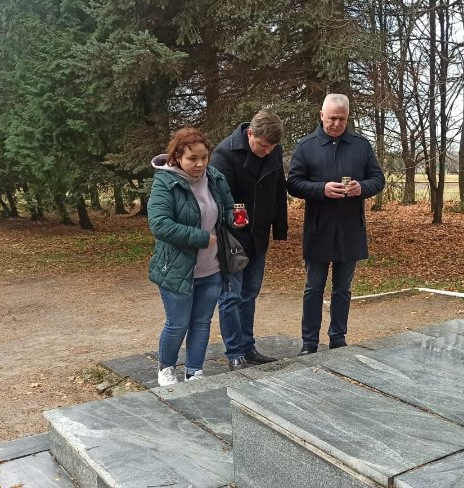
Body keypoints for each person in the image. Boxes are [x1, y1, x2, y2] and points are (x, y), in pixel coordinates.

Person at [286, 94, 385, 355]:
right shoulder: (306, 146)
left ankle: (338, 339)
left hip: (350, 228)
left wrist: (362, 188)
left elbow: (378, 179)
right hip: (318, 228)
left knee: (343, 289)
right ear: (321, 116)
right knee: (313, 288)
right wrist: (321, 189)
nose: (336, 124)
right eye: (332, 118)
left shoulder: (360, 145)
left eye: (341, 119)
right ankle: (309, 342)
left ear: (347, 118)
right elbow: (293, 183)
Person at [147, 127, 240, 386]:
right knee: (177, 324)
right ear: (177, 157)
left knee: (201, 322)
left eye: (204, 157)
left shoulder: (215, 177)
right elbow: (160, 225)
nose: (200, 164)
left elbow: (227, 208)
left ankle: (194, 371)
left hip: (212, 268)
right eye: (192, 158)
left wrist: (234, 218)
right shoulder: (165, 182)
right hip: (177, 269)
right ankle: (166, 368)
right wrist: (200, 237)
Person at [211, 111, 288, 370]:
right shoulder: (224, 154)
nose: (267, 152)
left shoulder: (273, 151)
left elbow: (279, 189)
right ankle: (234, 353)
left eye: (272, 147)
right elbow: (219, 201)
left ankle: (248, 347)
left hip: (259, 236)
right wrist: (232, 221)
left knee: (250, 294)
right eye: (263, 146)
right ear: (250, 134)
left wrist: (280, 228)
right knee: (231, 296)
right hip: (232, 239)